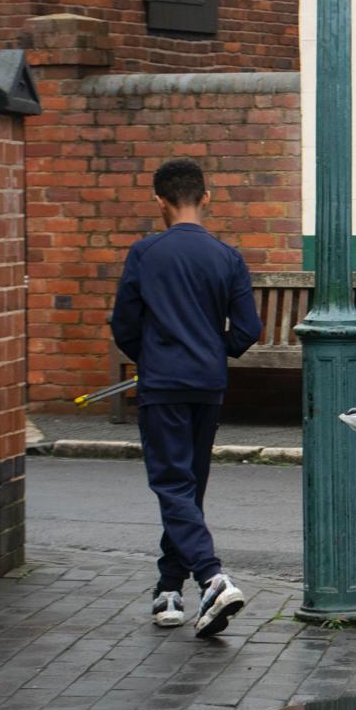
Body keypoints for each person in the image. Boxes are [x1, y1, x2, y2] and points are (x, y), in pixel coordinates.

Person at [111, 158, 262, 638]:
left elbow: (124, 325)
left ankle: (212, 578)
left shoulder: (145, 253)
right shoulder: (227, 257)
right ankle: (168, 589)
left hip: (163, 384)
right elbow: (248, 330)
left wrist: (152, 354)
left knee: (173, 486)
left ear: (160, 201)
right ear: (207, 198)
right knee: (188, 487)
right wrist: (215, 350)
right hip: (208, 384)